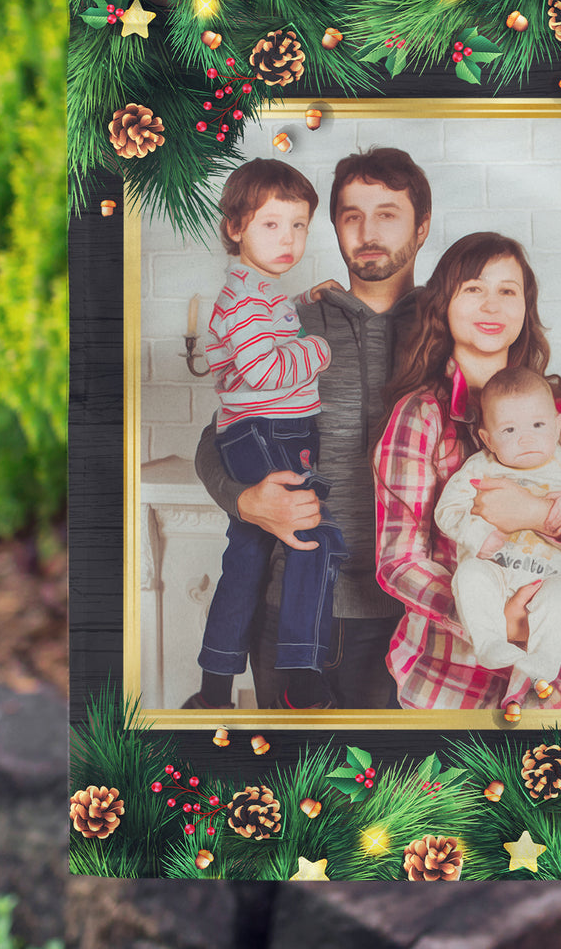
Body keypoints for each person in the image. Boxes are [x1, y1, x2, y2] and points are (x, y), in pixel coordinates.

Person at [187, 146, 432, 709]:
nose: (367, 231)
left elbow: (510, 417)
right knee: (287, 792)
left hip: (414, 618)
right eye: (351, 215)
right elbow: (217, 437)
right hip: (289, 612)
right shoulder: (294, 318)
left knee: (399, 793)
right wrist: (245, 500)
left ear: (421, 228)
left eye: (387, 214)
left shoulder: (447, 324)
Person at [374, 232, 561, 711]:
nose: (492, 305)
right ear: (445, 304)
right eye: (474, 289)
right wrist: (494, 618)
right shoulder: (421, 415)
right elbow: (399, 560)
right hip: (445, 677)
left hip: (547, 683)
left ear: (526, 308)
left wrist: (538, 513)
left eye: (508, 291)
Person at [195, 158, 345, 709]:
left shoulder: (256, 293)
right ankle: (301, 670)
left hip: (260, 431)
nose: (289, 238)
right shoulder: (248, 300)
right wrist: (318, 348)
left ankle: (215, 685)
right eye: (271, 224)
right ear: (236, 228)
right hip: (265, 434)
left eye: (300, 225)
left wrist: (304, 305)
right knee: (311, 537)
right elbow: (264, 370)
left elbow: (265, 330)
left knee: (249, 556)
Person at [435, 366, 561, 695]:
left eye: (538, 425)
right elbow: (447, 510)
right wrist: (477, 534)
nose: (526, 438)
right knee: (469, 577)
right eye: (509, 430)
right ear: (487, 438)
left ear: (557, 427)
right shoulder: (481, 467)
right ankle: (490, 643)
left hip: (543, 581)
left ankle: (546, 660)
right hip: (493, 575)